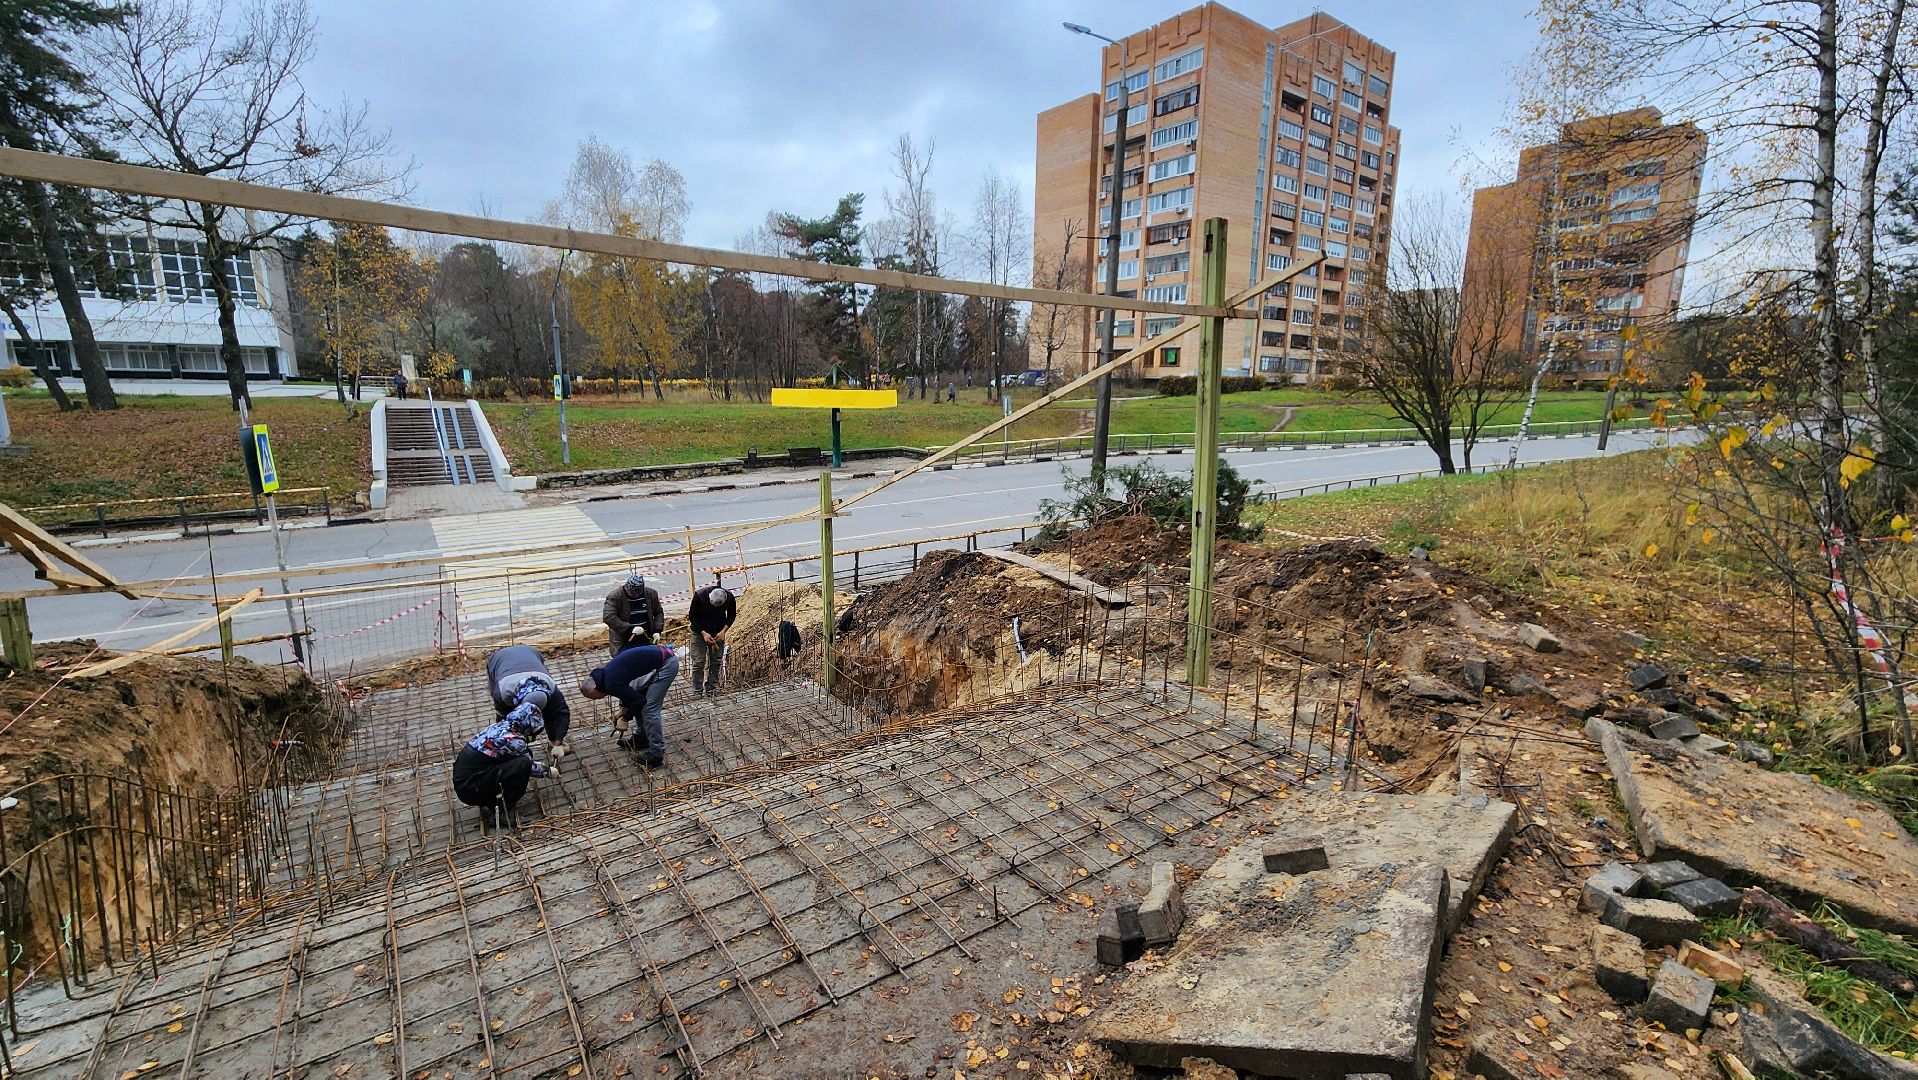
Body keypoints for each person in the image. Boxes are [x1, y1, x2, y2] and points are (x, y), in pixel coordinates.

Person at [451, 701, 558, 830]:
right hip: (471, 789)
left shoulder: (500, 727)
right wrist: (547, 771)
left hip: (467, 782)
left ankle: (492, 803)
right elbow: (528, 766)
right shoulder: (513, 741)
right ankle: (504, 813)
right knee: (522, 765)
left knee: (514, 764)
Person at [579, 643, 682, 768]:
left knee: (649, 709)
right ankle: (642, 738)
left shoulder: (610, 683)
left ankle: (657, 753)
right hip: (657, 659)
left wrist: (625, 719)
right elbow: (629, 693)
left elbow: (638, 701)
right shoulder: (601, 675)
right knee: (640, 701)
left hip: (667, 663)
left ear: (594, 687)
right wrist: (623, 709)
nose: (597, 699)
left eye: (594, 697)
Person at [484, 644, 571, 760]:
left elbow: (562, 713)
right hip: (498, 660)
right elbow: (503, 721)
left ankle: (553, 741)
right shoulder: (502, 693)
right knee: (512, 722)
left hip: (530, 653)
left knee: (551, 711)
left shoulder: (551, 688)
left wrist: (558, 742)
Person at [688, 583, 737, 696]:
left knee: (716, 661)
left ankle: (711, 688)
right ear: (709, 597)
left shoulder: (729, 597)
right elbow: (692, 616)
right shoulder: (700, 596)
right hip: (699, 632)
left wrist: (723, 631)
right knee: (698, 662)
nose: (714, 608)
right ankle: (697, 690)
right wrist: (703, 633)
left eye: (718, 607)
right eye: (712, 605)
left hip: (717, 632)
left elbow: (732, 615)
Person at [603, 573, 664, 656]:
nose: (634, 595)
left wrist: (657, 630)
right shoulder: (615, 596)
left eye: (637, 593)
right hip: (625, 639)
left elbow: (658, 612)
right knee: (626, 663)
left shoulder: (651, 594)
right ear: (626, 587)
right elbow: (608, 617)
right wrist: (629, 628)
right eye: (631, 593)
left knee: (647, 661)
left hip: (646, 637)